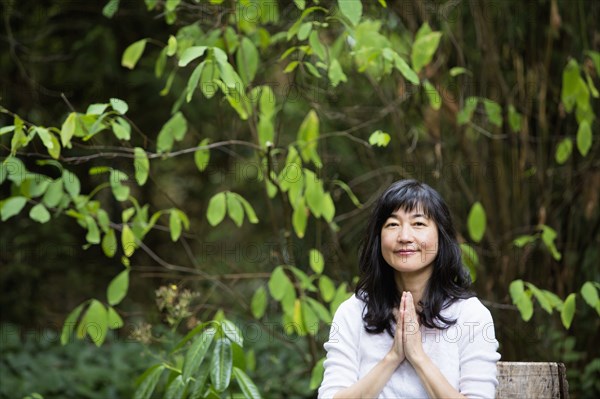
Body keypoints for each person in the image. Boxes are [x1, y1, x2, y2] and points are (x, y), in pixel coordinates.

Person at [318, 179, 500, 398]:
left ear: (441, 237)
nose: (404, 237)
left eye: (419, 224)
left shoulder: (471, 316)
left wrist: (418, 356)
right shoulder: (353, 313)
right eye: (393, 224)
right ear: (379, 238)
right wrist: (393, 357)